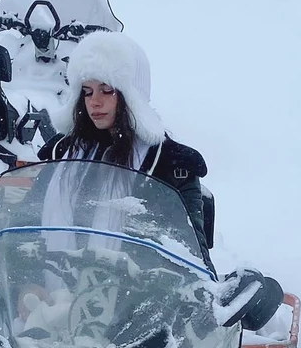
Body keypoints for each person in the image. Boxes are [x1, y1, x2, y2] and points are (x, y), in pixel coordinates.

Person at [38, 31, 211, 248]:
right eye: (87, 91)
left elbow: (189, 254)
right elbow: (23, 228)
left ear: (133, 95)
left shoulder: (172, 166)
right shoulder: (62, 153)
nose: (94, 102)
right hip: (51, 279)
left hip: (130, 281)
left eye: (106, 90)